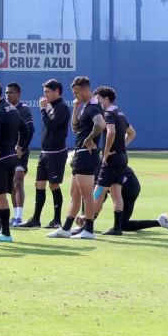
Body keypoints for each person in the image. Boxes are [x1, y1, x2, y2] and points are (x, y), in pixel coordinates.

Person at [47, 76, 104, 239]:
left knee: (86, 194)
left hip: (86, 155)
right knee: (75, 193)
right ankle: (65, 228)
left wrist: (89, 139)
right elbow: (76, 129)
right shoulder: (86, 106)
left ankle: (89, 230)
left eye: (77, 92)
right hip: (80, 155)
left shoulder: (93, 106)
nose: (75, 95)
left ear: (86, 90)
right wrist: (76, 109)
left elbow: (100, 124)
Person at [18, 79, 70, 229]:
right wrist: (46, 109)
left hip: (57, 153)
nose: (44, 95)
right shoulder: (51, 106)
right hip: (45, 153)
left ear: (57, 92)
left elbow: (52, 125)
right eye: (44, 92)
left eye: (47, 92)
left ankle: (56, 220)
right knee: (39, 184)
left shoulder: (62, 108)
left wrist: (42, 110)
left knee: (53, 185)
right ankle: (36, 219)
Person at [0, 81, 29, 243]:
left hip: (0, 158)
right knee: (0, 195)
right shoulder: (12, 109)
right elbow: (26, 131)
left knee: (0, 196)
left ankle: (6, 233)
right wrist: (20, 147)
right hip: (11, 157)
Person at [74, 167, 168, 234]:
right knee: (123, 224)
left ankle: (89, 225)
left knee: (91, 196)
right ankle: (160, 222)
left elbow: (98, 197)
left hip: (129, 190)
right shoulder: (93, 168)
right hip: (128, 188)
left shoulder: (97, 170)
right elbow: (99, 198)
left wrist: (87, 218)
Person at [92, 86, 136, 235]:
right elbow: (132, 133)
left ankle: (87, 224)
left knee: (98, 191)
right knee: (117, 192)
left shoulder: (108, 113)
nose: (97, 102)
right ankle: (117, 228)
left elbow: (111, 132)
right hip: (122, 158)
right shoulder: (120, 113)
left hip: (111, 160)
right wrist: (121, 146)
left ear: (106, 98)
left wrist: (105, 153)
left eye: (98, 98)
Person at [5, 82, 34, 227]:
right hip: (8, 153)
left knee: (18, 182)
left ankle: (19, 217)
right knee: (11, 185)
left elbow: (30, 130)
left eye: (10, 92)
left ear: (18, 94)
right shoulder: (6, 109)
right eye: (6, 93)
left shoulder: (24, 109)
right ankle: (14, 215)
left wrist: (22, 147)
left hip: (20, 153)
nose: (8, 95)